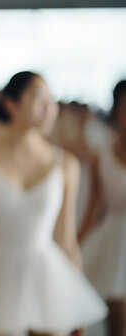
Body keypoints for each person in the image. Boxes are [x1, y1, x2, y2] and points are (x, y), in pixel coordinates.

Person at [0, 71, 107, 335]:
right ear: (11, 104)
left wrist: (74, 301)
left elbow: (66, 240)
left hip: (46, 277)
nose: (50, 109)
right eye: (40, 98)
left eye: (52, 101)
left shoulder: (65, 164)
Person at [79, 80, 126, 336]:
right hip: (114, 244)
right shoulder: (102, 153)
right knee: (117, 325)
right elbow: (94, 208)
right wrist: (74, 244)